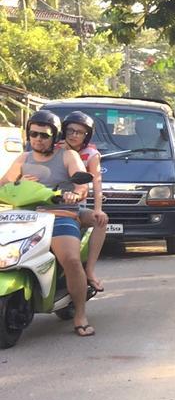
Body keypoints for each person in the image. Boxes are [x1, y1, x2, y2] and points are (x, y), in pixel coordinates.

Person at [0, 110, 93, 336]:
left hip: (59, 214)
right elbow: (3, 185)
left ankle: (80, 314)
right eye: (33, 134)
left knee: (71, 259)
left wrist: (75, 194)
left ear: (54, 136)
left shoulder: (67, 156)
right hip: (24, 217)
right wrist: (19, 182)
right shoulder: (23, 159)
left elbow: (82, 184)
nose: (38, 139)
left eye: (44, 135)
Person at [60, 111, 108, 292]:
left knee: (101, 221)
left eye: (79, 132)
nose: (73, 135)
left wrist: (98, 209)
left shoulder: (91, 154)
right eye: (70, 130)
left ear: (86, 136)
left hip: (76, 206)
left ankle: (90, 271)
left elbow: (96, 182)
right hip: (49, 205)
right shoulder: (56, 148)